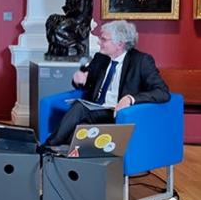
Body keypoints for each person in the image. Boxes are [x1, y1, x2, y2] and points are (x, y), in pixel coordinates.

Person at [43, 20, 170, 148]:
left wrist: (131, 99)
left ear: (120, 44)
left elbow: (162, 92)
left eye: (104, 39)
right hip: (96, 109)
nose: (99, 42)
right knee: (79, 131)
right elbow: (87, 85)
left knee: (79, 108)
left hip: (116, 112)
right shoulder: (100, 58)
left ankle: (47, 146)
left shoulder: (141, 61)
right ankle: (63, 154)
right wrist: (79, 81)